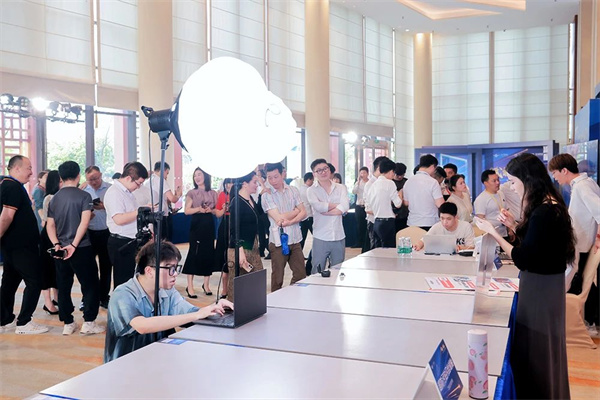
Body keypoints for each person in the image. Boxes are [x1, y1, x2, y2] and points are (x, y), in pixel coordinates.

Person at [475, 153, 574, 400]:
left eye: (513, 181)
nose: (511, 187)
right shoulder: (551, 205)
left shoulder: (543, 211)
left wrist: (493, 233)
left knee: (537, 349)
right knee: (545, 348)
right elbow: (538, 244)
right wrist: (514, 225)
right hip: (546, 285)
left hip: (539, 288)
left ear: (527, 180)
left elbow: (524, 257)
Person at [104, 240, 233, 362]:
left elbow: (189, 312)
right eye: (170, 268)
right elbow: (142, 326)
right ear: (149, 271)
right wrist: (197, 315)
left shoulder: (167, 291)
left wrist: (214, 309)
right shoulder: (123, 294)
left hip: (160, 360)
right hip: (126, 367)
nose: (175, 274)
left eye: (176, 268)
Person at [46, 161, 104, 336]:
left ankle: (68, 323)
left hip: (61, 249)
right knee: (90, 284)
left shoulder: (54, 198)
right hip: (81, 248)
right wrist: (74, 245)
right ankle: (89, 322)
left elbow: (50, 225)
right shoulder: (84, 196)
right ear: (78, 176)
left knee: (63, 286)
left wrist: (57, 244)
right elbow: (84, 223)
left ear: (61, 177)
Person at [549, 153, 600, 331]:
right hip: (582, 244)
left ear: (564, 170)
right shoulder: (584, 184)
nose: (554, 177)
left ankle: (583, 324)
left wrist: (598, 238)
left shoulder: (582, 186)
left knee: (582, 284)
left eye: (555, 173)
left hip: (584, 245)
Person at [0, 155, 49, 334]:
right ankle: (24, 322)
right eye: (28, 168)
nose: (31, 172)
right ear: (16, 168)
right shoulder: (12, 187)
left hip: (13, 245)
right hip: (20, 246)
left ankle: (5, 319)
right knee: (34, 281)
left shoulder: (9, 185)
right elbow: (6, 216)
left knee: (10, 282)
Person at [262, 162, 306, 291]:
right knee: (278, 279)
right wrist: (296, 211)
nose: (273, 181)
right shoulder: (267, 195)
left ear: (283, 174)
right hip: (278, 242)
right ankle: (276, 301)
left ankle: (292, 297)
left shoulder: (293, 190)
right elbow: (279, 219)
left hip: (295, 239)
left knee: (301, 275)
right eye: (269, 178)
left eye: (276, 176)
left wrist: (291, 220)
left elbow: (304, 212)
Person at [104, 162, 149, 289]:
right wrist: (139, 211)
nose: (138, 187)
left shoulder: (127, 192)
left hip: (131, 241)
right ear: (129, 178)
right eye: (138, 183)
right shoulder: (114, 193)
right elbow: (119, 219)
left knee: (131, 280)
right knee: (123, 282)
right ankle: (122, 302)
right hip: (121, 242)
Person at [307, 159, 349, 272]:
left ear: (329, 170)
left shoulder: (341, 187)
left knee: (338, 270)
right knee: (317, 269)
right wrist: (338, 206)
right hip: (321, 236)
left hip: (338, 235)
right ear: (314, 174)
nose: (323, 172)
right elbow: (318, 207)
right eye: (319, 170)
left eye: (325, 168)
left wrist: (327, 209)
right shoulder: (311, 190)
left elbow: (345, 206)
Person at [227, 171, 265, 299]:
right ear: (245, 184)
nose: (256, 185)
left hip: (252, 246)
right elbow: (233, 229)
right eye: (254, 182)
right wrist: (240, 251)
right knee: (237, 285)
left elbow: (260, 214)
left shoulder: (251, 199)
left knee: (256, 279)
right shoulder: (236, 202)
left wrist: (262, 194)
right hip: (240, 248)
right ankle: (232, 309)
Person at [182, 167, 218, 298]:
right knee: (194, 253)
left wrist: (210, 210)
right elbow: (187, 211)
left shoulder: (213, 193)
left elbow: (217, 211)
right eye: (195, 175)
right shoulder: (192, 193)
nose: (197, 177)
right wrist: (199, 209)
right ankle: (190, 286)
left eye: (199, 174)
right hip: (196, 225)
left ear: (206, 176)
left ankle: (206, 285)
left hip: (209, 225)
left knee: (208, 253)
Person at [83, 166, 112, 309]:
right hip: (89, 233)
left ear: (101, 175)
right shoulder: (83, 190)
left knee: (106, 267)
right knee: (88, 268)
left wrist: (104, 206)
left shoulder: (110, 189)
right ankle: (87, 299)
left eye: (96, 178)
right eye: (90, 179)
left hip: (107, 232)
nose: (93, 182)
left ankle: (104, 297)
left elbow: (117, 209)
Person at [366, 159, 402, 248]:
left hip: (376, 222)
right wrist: (400, 194)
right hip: (387, 222)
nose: (393, 175)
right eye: (393, 172)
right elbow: (398, 204)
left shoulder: (373, 185)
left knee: (378, 250)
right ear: (390, 171)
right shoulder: (390, 183)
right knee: (388, 251)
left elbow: (368, 208)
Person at [402, 154, 444, 230]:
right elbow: (440, 204)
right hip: (430, 223)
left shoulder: (408, 181)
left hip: (412, 223)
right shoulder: (433, 182)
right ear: (432, 166)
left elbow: (406, 203)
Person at [39, 170, 60, 315]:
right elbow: (47, 221)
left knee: (56, 269)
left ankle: (57, 299)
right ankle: (48, 303)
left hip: (56, 235)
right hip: (49, 236)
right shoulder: (50, 198)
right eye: (61, 180)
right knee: (47, 269)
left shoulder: (58, 196)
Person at [145, 162, 182, 240]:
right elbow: (173, 199)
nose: (166, 176)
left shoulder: (148, 181)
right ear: (164, 170)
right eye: (167, 173)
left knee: (155, 240)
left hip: (150, 215)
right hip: (160, 215)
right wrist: (178, 195)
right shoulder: (160, 180)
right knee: (163, 240)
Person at [363, 156, 388, 252]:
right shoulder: (370, 184)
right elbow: (368, 208)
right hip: (374, 221)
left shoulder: (385, 182)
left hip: (384, 221)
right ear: (379, 168)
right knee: (375, 250)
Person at [474, 169, 507, 238]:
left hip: (504, 233)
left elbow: (506, 212)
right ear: (486, 183)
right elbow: (480, 221)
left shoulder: (501, 193)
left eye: (498, 180)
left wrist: (509, 229)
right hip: (492, 236)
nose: (498, 182)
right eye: (494, 181)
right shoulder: (481, 199)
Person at [214, 178, 233, 299]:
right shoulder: (222, 195)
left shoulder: (239, 194)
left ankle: (232, 288)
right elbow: (217, 214)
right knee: (224, 257)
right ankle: (224, 288)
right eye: (227, 183)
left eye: (231, 183)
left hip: (235, 224)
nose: (228, 185)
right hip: (225, 225)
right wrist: (223, 209)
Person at [298, 172, 314, 275]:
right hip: (309, 217)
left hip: (302, 217)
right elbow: (312, 204)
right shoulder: (308, 190)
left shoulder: (300, 189)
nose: (313, 182)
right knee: (317, 238)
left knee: (302, 239)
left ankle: (298, 259)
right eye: (312, 180)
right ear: (308, 180)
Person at [352, 167, 369, 249]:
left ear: (367, 174)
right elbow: (354, 192)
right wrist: (358, 182)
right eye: (361, 173)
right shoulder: (358, 183)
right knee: (359, 225)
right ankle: (359, 242)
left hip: (367, 206)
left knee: (366, 225)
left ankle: (366, 243)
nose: (362, 175)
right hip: (359, 206)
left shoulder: (370, 183)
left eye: (364, 173)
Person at [392, 163, 409, 232]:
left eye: (402, 175)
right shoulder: (390, 182)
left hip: (405, 213)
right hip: (393, 214)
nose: (399, 177)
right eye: (397, 175)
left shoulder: (407, 182)